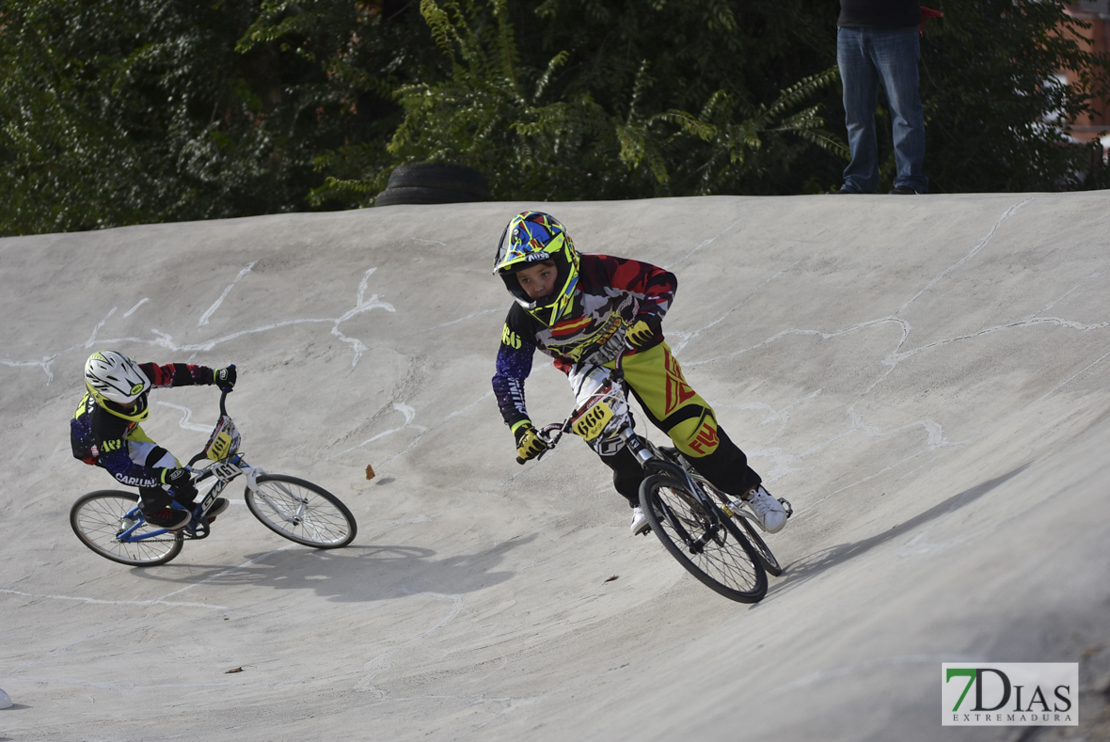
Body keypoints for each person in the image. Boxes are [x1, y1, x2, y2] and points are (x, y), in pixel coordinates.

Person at [491, 211, 789, 536]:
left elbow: (661, 280)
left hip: (638, 350)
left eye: (544, 273)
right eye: (525, 280)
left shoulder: (597, 269)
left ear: (564, 260)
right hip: (587, 370)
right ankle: (639, 498)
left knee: (690, 426)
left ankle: (751, 492)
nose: (537, 287)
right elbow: (507, 375)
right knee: (601, 430)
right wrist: (521, 428)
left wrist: (649, 317)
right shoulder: (521, 320)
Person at [71, 350, 237, 530]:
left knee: (173, 466)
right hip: (97, 445)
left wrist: (213, 375)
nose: (134, 402)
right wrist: (163, 476)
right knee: (162, 465)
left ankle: (187, 504)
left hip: (126, 428)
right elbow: (123, 471)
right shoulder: (103, 425)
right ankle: (153, 512)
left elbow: (174, 374)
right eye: (125, 400)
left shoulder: (138, 375)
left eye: (136, 394)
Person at [835, 0, 929, 195]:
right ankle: (859, 182)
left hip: (897, 28)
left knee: (904, 111)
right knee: (856, 114)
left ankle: (909, 181)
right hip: (850, 28)